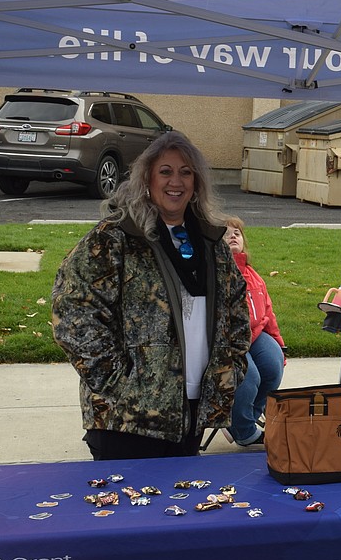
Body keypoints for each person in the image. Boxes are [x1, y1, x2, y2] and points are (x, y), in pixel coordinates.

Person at [52, 131, 251, 461]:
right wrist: (121, 385)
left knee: (181, 508)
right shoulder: (113, 238)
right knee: (127, 510)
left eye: (186, 172)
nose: (177, 181)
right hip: (125, 422)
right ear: (146, 179)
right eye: (166, 171)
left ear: (197, 182)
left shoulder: (212, 242)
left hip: (192, 411)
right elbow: (73, 313)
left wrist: (230, 372)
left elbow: (237, 314)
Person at [223, 215, 286, 447]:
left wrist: (279, 344)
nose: (233, 236)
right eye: (227, 233)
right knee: (249, 376)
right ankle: (244, 431)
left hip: (256, 334)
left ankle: (242, 419)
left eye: (237, 233)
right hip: (228, 339)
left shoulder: (254, 276)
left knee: (273, 364)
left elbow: (268, 314)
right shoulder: (217, 273)